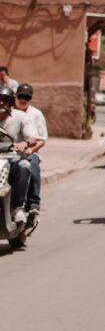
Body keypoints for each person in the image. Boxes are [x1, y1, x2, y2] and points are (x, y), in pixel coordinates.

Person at [0, 85, 39, 226]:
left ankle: (17, 207)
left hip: (12, 158)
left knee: (25, 165)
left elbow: (33, 137)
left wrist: (25, 143)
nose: (1, 103)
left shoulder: (20, 117)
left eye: (4, 100)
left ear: (11, 102)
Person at [14, 83, 47, 228]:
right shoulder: (8, 111)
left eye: (27, 97)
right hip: (8, 152)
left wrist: (30, 150)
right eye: (21, 96)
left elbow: (41, 140)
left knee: (31, 165)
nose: (23, 99)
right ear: (15, 96)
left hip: (29, 151)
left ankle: (33, 202)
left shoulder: (36, 114)